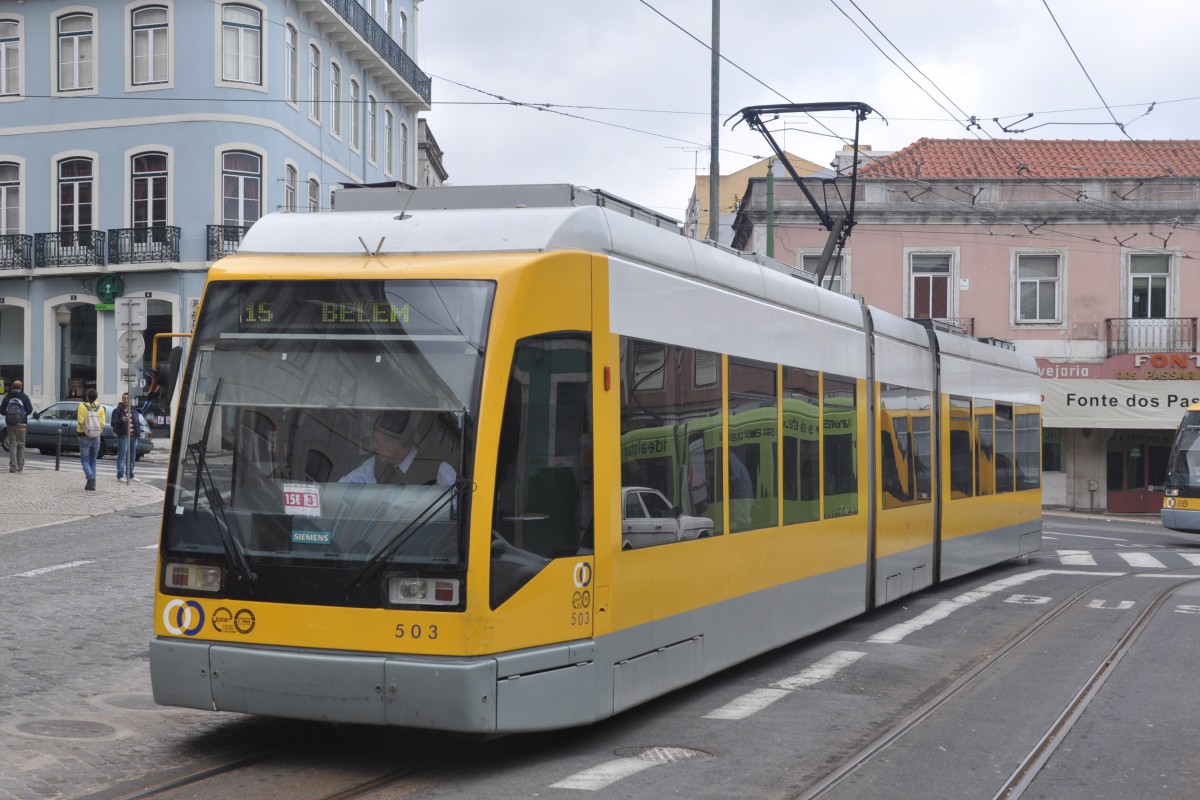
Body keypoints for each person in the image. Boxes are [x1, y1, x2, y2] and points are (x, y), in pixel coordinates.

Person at [340, 410, 456, 486]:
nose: (374, 446)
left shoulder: (438, 468)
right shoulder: (375, 464)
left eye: (376, 441)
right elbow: (345, 484)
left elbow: (456, 504)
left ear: (393, 445)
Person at [76, 388, 106, 491]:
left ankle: (90, 478)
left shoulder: (82, 406)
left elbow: (80, 421)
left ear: (87, 396)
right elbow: (102, 423)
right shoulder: (100, 408)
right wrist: (97, 431)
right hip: (96, 437)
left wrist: (84, 431)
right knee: (93, 460)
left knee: (85, 460)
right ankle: (92, 485)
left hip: (84, 436)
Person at [3, 379, 33, 473]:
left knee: (12, 444)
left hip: (10, 424)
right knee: (21, 444)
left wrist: (9, 414)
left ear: (12, 386)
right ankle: (20, 466)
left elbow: (2, 411)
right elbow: (29, 410)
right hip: (22, 424)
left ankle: (13, 467)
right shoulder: (24, 397)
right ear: (21, 387)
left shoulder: (8, 396)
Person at [111, 392, 141, 483]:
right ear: (122, 399)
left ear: (131, 400)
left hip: (133, 436)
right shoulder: (117, 410)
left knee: (132, 457)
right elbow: (113, 423)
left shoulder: (134, 410)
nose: (126, 400)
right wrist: (121, 420)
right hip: (123, 436)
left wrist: (138, 433)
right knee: (122, 456)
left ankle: (130, 475)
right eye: (124, 398)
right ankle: (120, 475)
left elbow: (137, 422)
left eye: (127, 398)